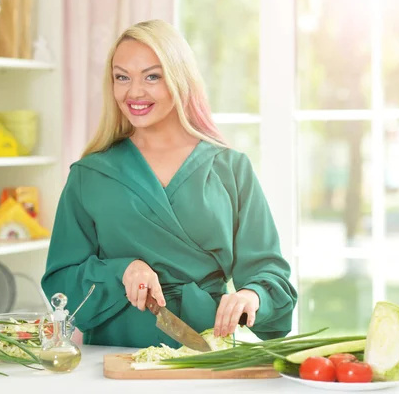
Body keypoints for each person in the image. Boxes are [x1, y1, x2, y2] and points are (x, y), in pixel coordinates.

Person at [41, 19, 297, 349]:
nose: (133, 92)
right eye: (122, 77)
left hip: (207, 354)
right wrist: (123, 271)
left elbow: (270, 275)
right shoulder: (89, 174)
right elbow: (60, 285)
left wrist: (252, 295)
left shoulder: (231, 168)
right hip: (115, 357)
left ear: (179, 78)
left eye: (152, 76)